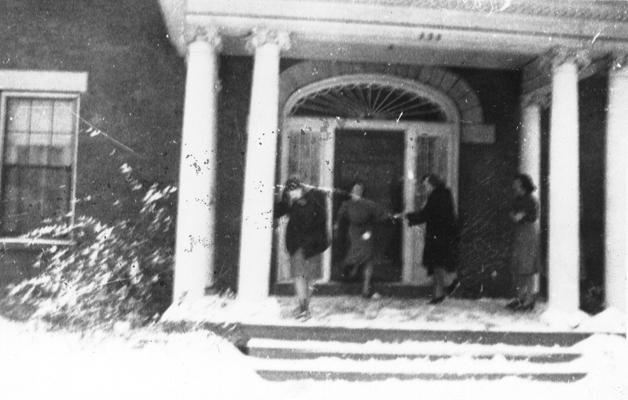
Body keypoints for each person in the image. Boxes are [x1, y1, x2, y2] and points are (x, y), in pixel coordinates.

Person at [397, 174, 459, 304]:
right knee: (440, 264)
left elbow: (426, 214)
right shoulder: (444, 194)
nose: (425, 188)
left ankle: (439, 293)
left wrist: (408, 217)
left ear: (432, 184)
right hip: (445, 235)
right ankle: (441, 291)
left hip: (438, 236)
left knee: (438, 265)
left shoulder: (436, 196)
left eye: (426, 185)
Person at [274, 177, 329, 321]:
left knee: (309, 277)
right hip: (297, 244)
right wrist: (285, 201)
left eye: (292, 192)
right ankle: (303, 307)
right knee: (299, 275)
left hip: (312, 244)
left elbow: (318, 219)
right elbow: (276, 212)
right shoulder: (291, 202)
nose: (291, 195)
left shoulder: (314, 198)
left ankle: (304, 307)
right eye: (289, 193)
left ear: (299, 189)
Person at [335, 181, 388, 298]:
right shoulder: (346, 204)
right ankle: (351, 270)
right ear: (351, 191)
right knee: (356, 255)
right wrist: (336, 226)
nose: (357, 192)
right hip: (354, 232)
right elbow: (339, 218)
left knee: (368, 258)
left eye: (360, 190)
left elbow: (382, 215)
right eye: (355, 189)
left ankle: (365, 288)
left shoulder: (369, 204)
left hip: (366, 232)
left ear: (363, 192)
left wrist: (375, 222)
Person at [506, 173, 539, 311]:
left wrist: (516, 215)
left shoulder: (529, 200)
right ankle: (520, 297)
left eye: (517, 183)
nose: (514, 185)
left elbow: (517, 217)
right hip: (520, 232)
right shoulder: (519, 199)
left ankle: (529, 299)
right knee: (519, 266)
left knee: (527, 267)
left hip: (527, 233)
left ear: (522, 185)